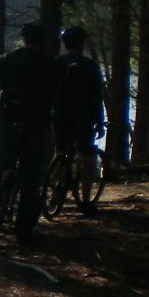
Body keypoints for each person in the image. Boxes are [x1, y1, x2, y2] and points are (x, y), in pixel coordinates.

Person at [0, 22, 61, 246]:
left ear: (25, 39)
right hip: (37, 125)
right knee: (31, 176)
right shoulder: (52, 66)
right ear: (43, 42)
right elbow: (59, 98)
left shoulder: (8, 59)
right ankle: (24, 231)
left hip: (7, 120)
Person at [52, 25, 106, 214]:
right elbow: (96, 96)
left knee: (59, 151)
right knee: (88, 156)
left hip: (59, 116)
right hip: (83, 119)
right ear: (81, 44)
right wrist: (100, 121)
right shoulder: (90, 66)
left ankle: (55, 191)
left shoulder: (57, 64)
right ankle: (86, 200)